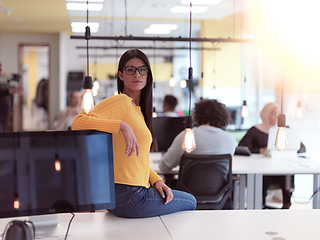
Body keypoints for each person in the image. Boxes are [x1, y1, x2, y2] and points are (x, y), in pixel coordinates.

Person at [72, 49, 196, 218]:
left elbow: (139, 159)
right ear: (121, 75)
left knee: (178, 200)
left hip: (125, 195)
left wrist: (156, 180)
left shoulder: (137, 110)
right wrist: (121, 126)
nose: (137, 74)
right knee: (190, 201)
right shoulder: (121, 101)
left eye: (142, 70)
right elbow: (78, 123)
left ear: (147, 75)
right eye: (131, 70)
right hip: (129, 194)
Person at [238, 102, 305, 209]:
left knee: (288, 173)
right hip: (262, 171)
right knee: (266, 172)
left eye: (279, 113)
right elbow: (240, 148)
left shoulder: (285, 130)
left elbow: (302, 148)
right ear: (265, 114)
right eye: (273, 113)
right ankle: (260, 204)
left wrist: (290, 148)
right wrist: (260, 150)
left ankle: (286, 205)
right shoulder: (255, 130)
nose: (277, 116)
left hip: (282, 171)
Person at [159, 98, 237, 173]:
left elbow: (164, 166)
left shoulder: (186, 137)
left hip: (187, 186)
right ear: (223, 116)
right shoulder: (230, 139)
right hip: (219, 186)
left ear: (197, 115)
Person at [0, 61, 22, 132]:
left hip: (3, 117)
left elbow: (2, 94)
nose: (1, 72)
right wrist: (11, 90)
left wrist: (11, 93)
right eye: (0, 70)